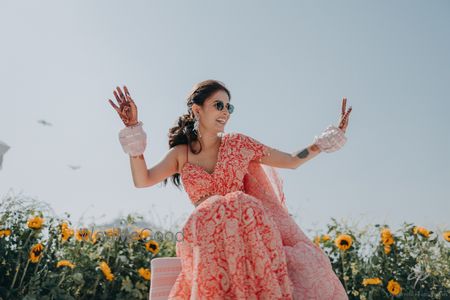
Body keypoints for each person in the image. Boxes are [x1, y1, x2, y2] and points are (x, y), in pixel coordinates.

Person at [108, 80, 352, 299]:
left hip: (246, 232)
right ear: (197, 109)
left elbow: (291, 160)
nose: (225, 112)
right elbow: (143, 179)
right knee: (211, 212)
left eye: (229, 107)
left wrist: (323, 143)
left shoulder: (238, 144)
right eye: (218, 105)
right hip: (206, 236)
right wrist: (133, 133)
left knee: (239, 203)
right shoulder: (180, 154)